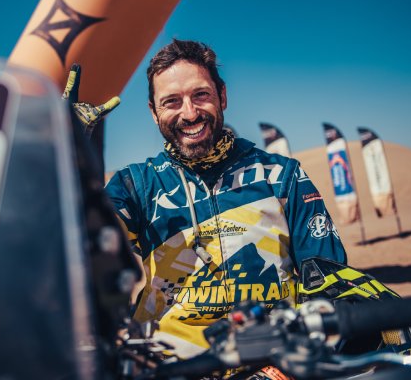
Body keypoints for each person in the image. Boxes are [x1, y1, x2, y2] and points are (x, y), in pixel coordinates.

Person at [65, 39, 347, 359]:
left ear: (222, 96)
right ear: (154, 112)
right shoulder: (135, 185)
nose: (189, 113)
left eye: (200, 95)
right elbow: (73, 247)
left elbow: (331, 281)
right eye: (171, 102)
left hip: (274, 358)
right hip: (168, 363)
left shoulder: (282, 175)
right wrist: (60, 157)